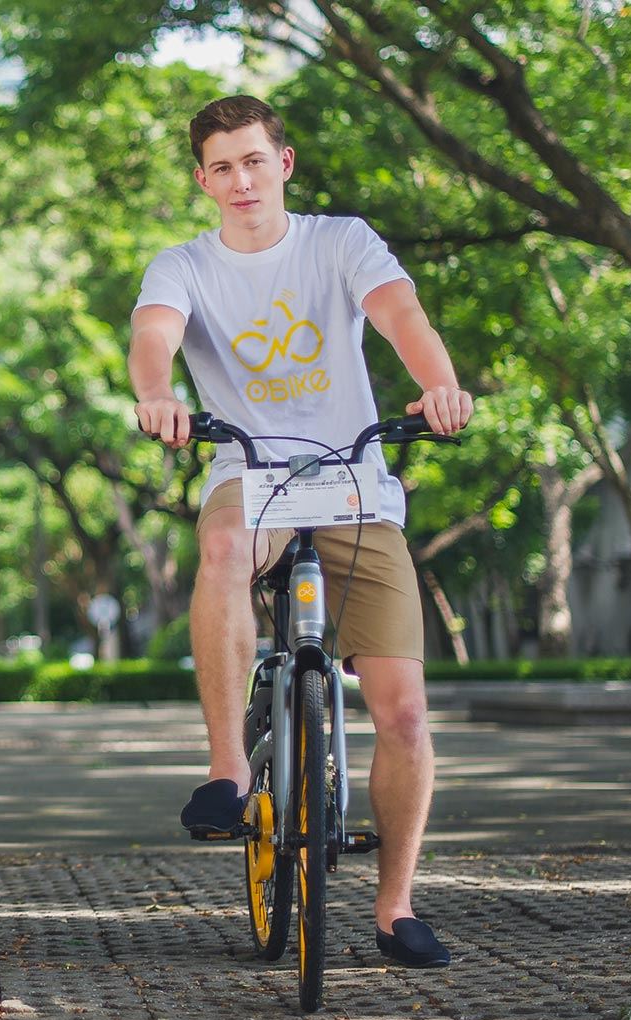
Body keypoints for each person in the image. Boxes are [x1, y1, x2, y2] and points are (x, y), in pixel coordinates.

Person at [127, 95, 473, 968]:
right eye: (221, 167)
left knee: (404, 713)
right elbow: (154, 335)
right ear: (203, 180)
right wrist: (158, 396)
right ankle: (228, 771)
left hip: (354, 482)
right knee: (221, 547)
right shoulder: (183, 264)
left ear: (283, 163)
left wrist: (439, 384)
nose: (240, 180)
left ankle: (395, 908)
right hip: (251, 476)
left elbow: (401, 315)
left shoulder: (340, 241)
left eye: (253, 160)